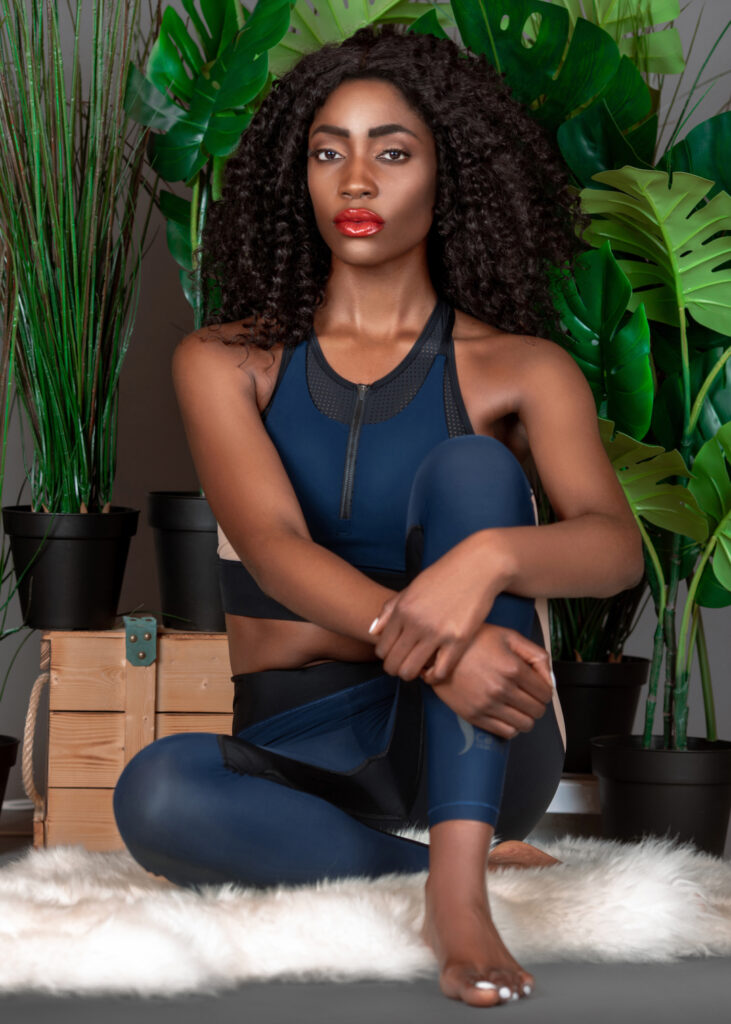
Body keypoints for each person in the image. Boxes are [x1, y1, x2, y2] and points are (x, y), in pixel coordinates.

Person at [113, 23, 644, 1008]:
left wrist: (484, 559)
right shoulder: (227, 361)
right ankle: (435, 875)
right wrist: (435, 640)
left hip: (475, 732)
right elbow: (270, 548)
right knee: (153, 791)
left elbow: (612, 551)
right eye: (329, 151)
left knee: (473, 475)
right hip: (296, 743)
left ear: (449, 174)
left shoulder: (519, 370)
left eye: (390, 152)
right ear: (296, 175)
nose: (355, 180)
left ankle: (457, 897)